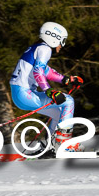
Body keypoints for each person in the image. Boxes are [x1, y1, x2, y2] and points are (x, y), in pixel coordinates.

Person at [9, 22, 84, 154]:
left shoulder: (36, 48)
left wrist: (66, 79)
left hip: (19, 94)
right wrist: (49, 91)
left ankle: (50, 146)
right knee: (69, 101)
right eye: (63, 41)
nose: (62, 45)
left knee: (59, 114)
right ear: (54, 38)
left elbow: (46, 71)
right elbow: (38, 71)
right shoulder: (45, 49)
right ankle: (63, 143)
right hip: (25, 93)